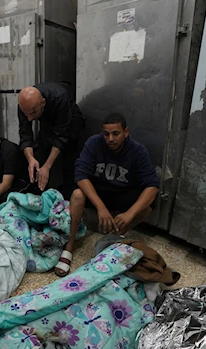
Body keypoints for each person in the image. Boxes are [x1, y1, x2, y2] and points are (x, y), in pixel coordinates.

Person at [54, 113, 160, 276]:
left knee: (149, 203)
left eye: (115, 133)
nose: (110, 138)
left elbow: (152, 186)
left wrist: (129, 215)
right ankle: (70, 244)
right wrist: (100, 208)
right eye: (106, 134)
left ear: (126, 132)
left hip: (122, 193)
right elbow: (80, 175)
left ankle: (116, 234)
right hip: (99, 192)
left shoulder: (138, 151)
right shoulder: (94, 143)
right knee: (77, 194)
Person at [18, 82, 85, 199]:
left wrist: (47, 167)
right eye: (25, 114)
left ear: (42, 102)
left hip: (70, 123)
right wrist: (30, 159)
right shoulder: (26, 105)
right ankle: (40, 199)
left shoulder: (60, 97)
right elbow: (25, 135)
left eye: (32, 113)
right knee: (38, 157)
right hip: (47, 122)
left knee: (69, 164)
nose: (29, 118)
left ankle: (66, 203)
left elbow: (62, 136)